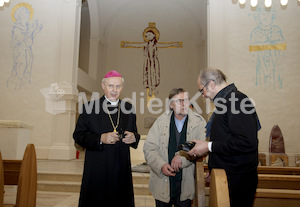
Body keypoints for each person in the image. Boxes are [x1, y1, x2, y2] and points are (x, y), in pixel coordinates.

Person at [188, 67, 260, 207]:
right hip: (226, 176)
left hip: (237, 180)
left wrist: (207, 146)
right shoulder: (226, 102)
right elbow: (225, 139)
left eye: (201, 90)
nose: (202, 96)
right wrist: (213, 168)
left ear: (211, 84)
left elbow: (246, 142)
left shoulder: (236, 101)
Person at [73, 70, 140, 207]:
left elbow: (135, 133)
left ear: (122, 87)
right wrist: (100, 138)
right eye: (111, 86)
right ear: (103, 86)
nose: (114, 90)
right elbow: (78, 135)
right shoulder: (90, 107)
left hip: (121, 168)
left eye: (118, 86)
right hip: (98, 168)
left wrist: (134, 138)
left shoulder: (128, 108)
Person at [143, 88, 206, 207]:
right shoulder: (160, 123)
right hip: (162, 182)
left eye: (186, 100)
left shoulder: (199, 123)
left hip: (186, 182)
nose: (184, 104)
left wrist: (182, 157)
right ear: (171, 105)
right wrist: (161, 165)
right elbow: (149, 148)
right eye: (179, 101)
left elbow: (202, 149)